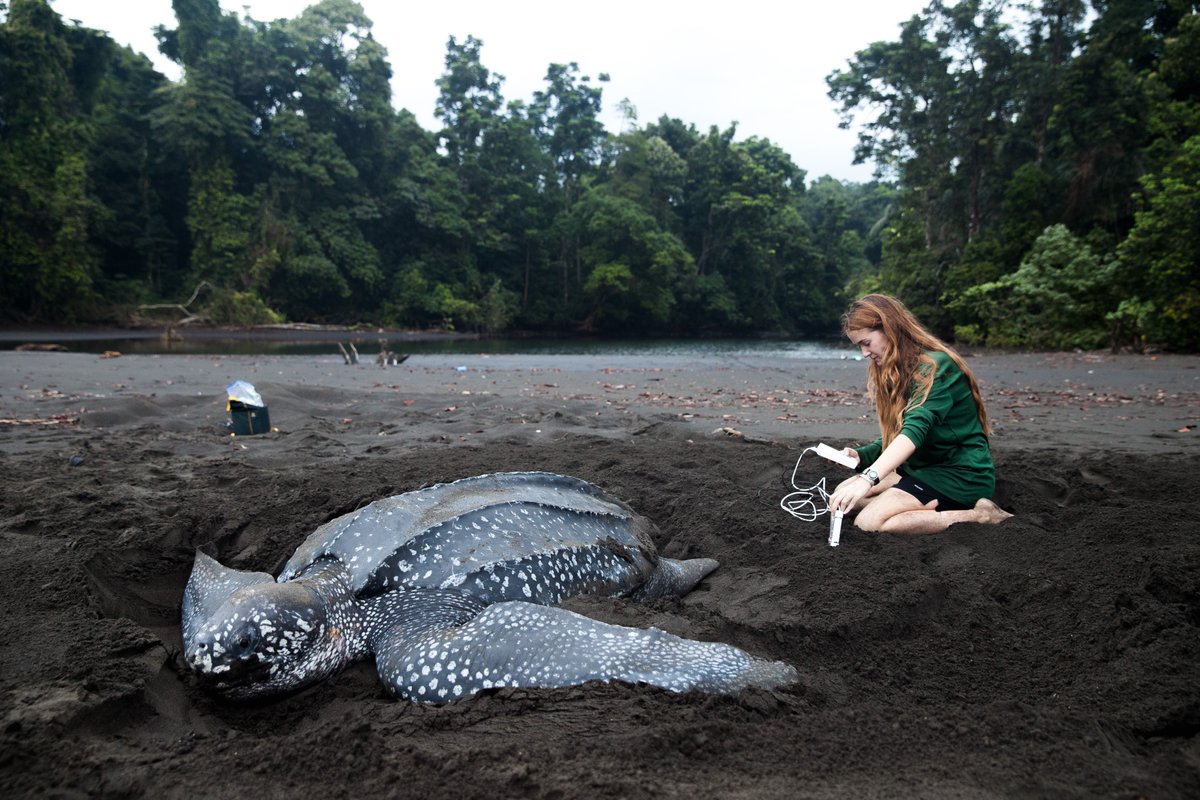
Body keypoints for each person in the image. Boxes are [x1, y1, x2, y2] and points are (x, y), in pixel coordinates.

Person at [827, 294, 1012, 534]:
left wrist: (868, 478)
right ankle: (911, 507)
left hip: (959, 474)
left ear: (890, 329)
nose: (864, 353)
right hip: (922, 468)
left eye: (867, 343)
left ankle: (980, 515)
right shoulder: (896, 368)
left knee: (869, 523)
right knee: (842, 497)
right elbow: (901, 432)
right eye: (859, 346)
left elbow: (913, 433)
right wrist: (861, 456)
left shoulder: (936, 367)